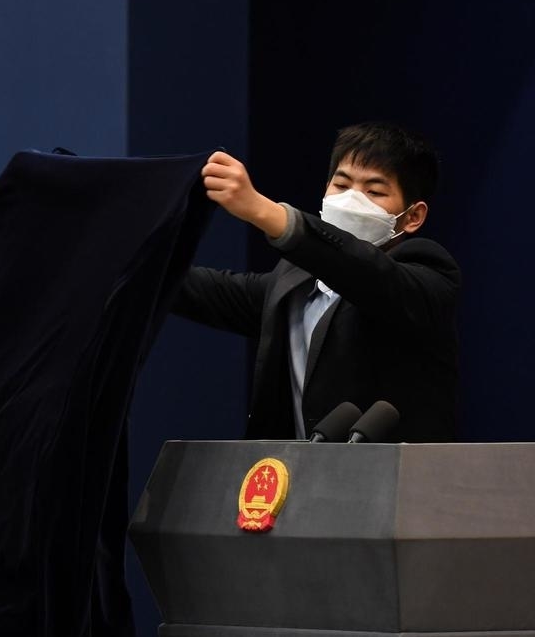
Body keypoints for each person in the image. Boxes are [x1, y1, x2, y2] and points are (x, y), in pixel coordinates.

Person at [173, 122, 460, 442]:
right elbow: (201, 290)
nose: (352, 200)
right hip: (298, 480)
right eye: (341, 184)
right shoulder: (293, 278)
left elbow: (366, 273)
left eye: (374, 191)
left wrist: (263, 211)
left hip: (397, 484)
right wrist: (129, 262)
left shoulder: (427, 270)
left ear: (413, 216)